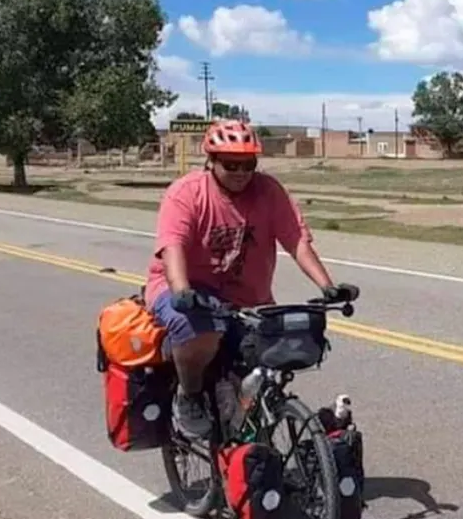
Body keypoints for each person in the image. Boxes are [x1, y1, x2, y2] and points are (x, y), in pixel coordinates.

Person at [143, 118, 358, 439]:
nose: (242, 172)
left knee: (269, 366)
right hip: (185, 290)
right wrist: (181, 289)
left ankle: (257, 456)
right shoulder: (186, 193)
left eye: (249, 164)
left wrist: (327, 286)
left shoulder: (269, 191)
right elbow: (172, 245)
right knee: (198, 327)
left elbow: (296, 240)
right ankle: (188, 396)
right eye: (231, 164)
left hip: (246, 298)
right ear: (211, 161)